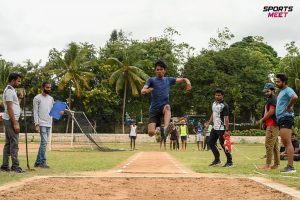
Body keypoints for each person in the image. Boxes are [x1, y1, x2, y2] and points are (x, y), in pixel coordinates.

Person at [141, 60, 192, 137]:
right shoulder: (151, 80)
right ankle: (158, 133)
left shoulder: (168, 80)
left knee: (167, 107)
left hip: (164, 107)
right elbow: (142, 91)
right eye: (157, 69)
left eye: (161, 69)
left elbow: (183, 79)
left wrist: (188, 83)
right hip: (154, 109)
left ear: (165, 70)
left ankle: (166, 128)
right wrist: (148, 90)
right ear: (155, 71)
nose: (159, 71)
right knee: (151, 133)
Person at [1, 73, 25, 173]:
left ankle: (5, 166)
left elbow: (15, 105)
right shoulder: (10, 91)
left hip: (9, 119)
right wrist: (15, 123)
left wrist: (20, 98)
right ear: (12, 80)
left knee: (8, 143)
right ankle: (15, 166)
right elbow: (10, 108)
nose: (19, 83)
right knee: (14, 143)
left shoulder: (11, 90)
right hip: (11, 120)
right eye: (18, 81)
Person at [275, 73, 298, 173]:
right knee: (285, 142)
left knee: (287, 142)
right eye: (276, 81)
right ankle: (289, 165)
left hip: (286, 118)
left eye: (278, 81)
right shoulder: (281, 91)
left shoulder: (288, 90)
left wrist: (288, 107)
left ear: (284, 82)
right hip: (281, 119)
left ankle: (290, 166)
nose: (276, 83)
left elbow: (295, 97)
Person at [206, 89, 233, 167]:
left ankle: (230, 162)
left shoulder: (224, 105)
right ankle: (217, 160)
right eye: (216, 95)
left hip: (222, 128)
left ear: (222, 96)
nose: (217, 96)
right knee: (210, 142)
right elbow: (213, 114)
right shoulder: (214, 103)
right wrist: (209, 122)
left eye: (219, 95)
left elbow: (226, 118)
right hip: (215, 127)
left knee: (224, 145)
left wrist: (227, 130)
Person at [258, 83, 280, 170]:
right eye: (265, 91)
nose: (266, 93)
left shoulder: (273, 99)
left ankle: (267, 165)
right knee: (274, 145)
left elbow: (271, 112)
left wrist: (262, 120)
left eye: (268, 91)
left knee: (269, 145)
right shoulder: (270, 99)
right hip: (270, 125)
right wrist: (264, 121)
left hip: (272, 125)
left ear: (273, 90)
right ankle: (276, 164)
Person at [33, 82, 54, 168]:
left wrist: (60, 112)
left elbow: (53, 111)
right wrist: (36, 124)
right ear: (43, 87)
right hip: (41, 123)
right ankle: (42, 162)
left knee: (43, 143)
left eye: (50, 87)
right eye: (47, 87)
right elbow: (35, 112)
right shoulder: (37, 98)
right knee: (44, 142)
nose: (49, 89)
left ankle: (37, 162)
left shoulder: (51, 98)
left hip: (49, 123)